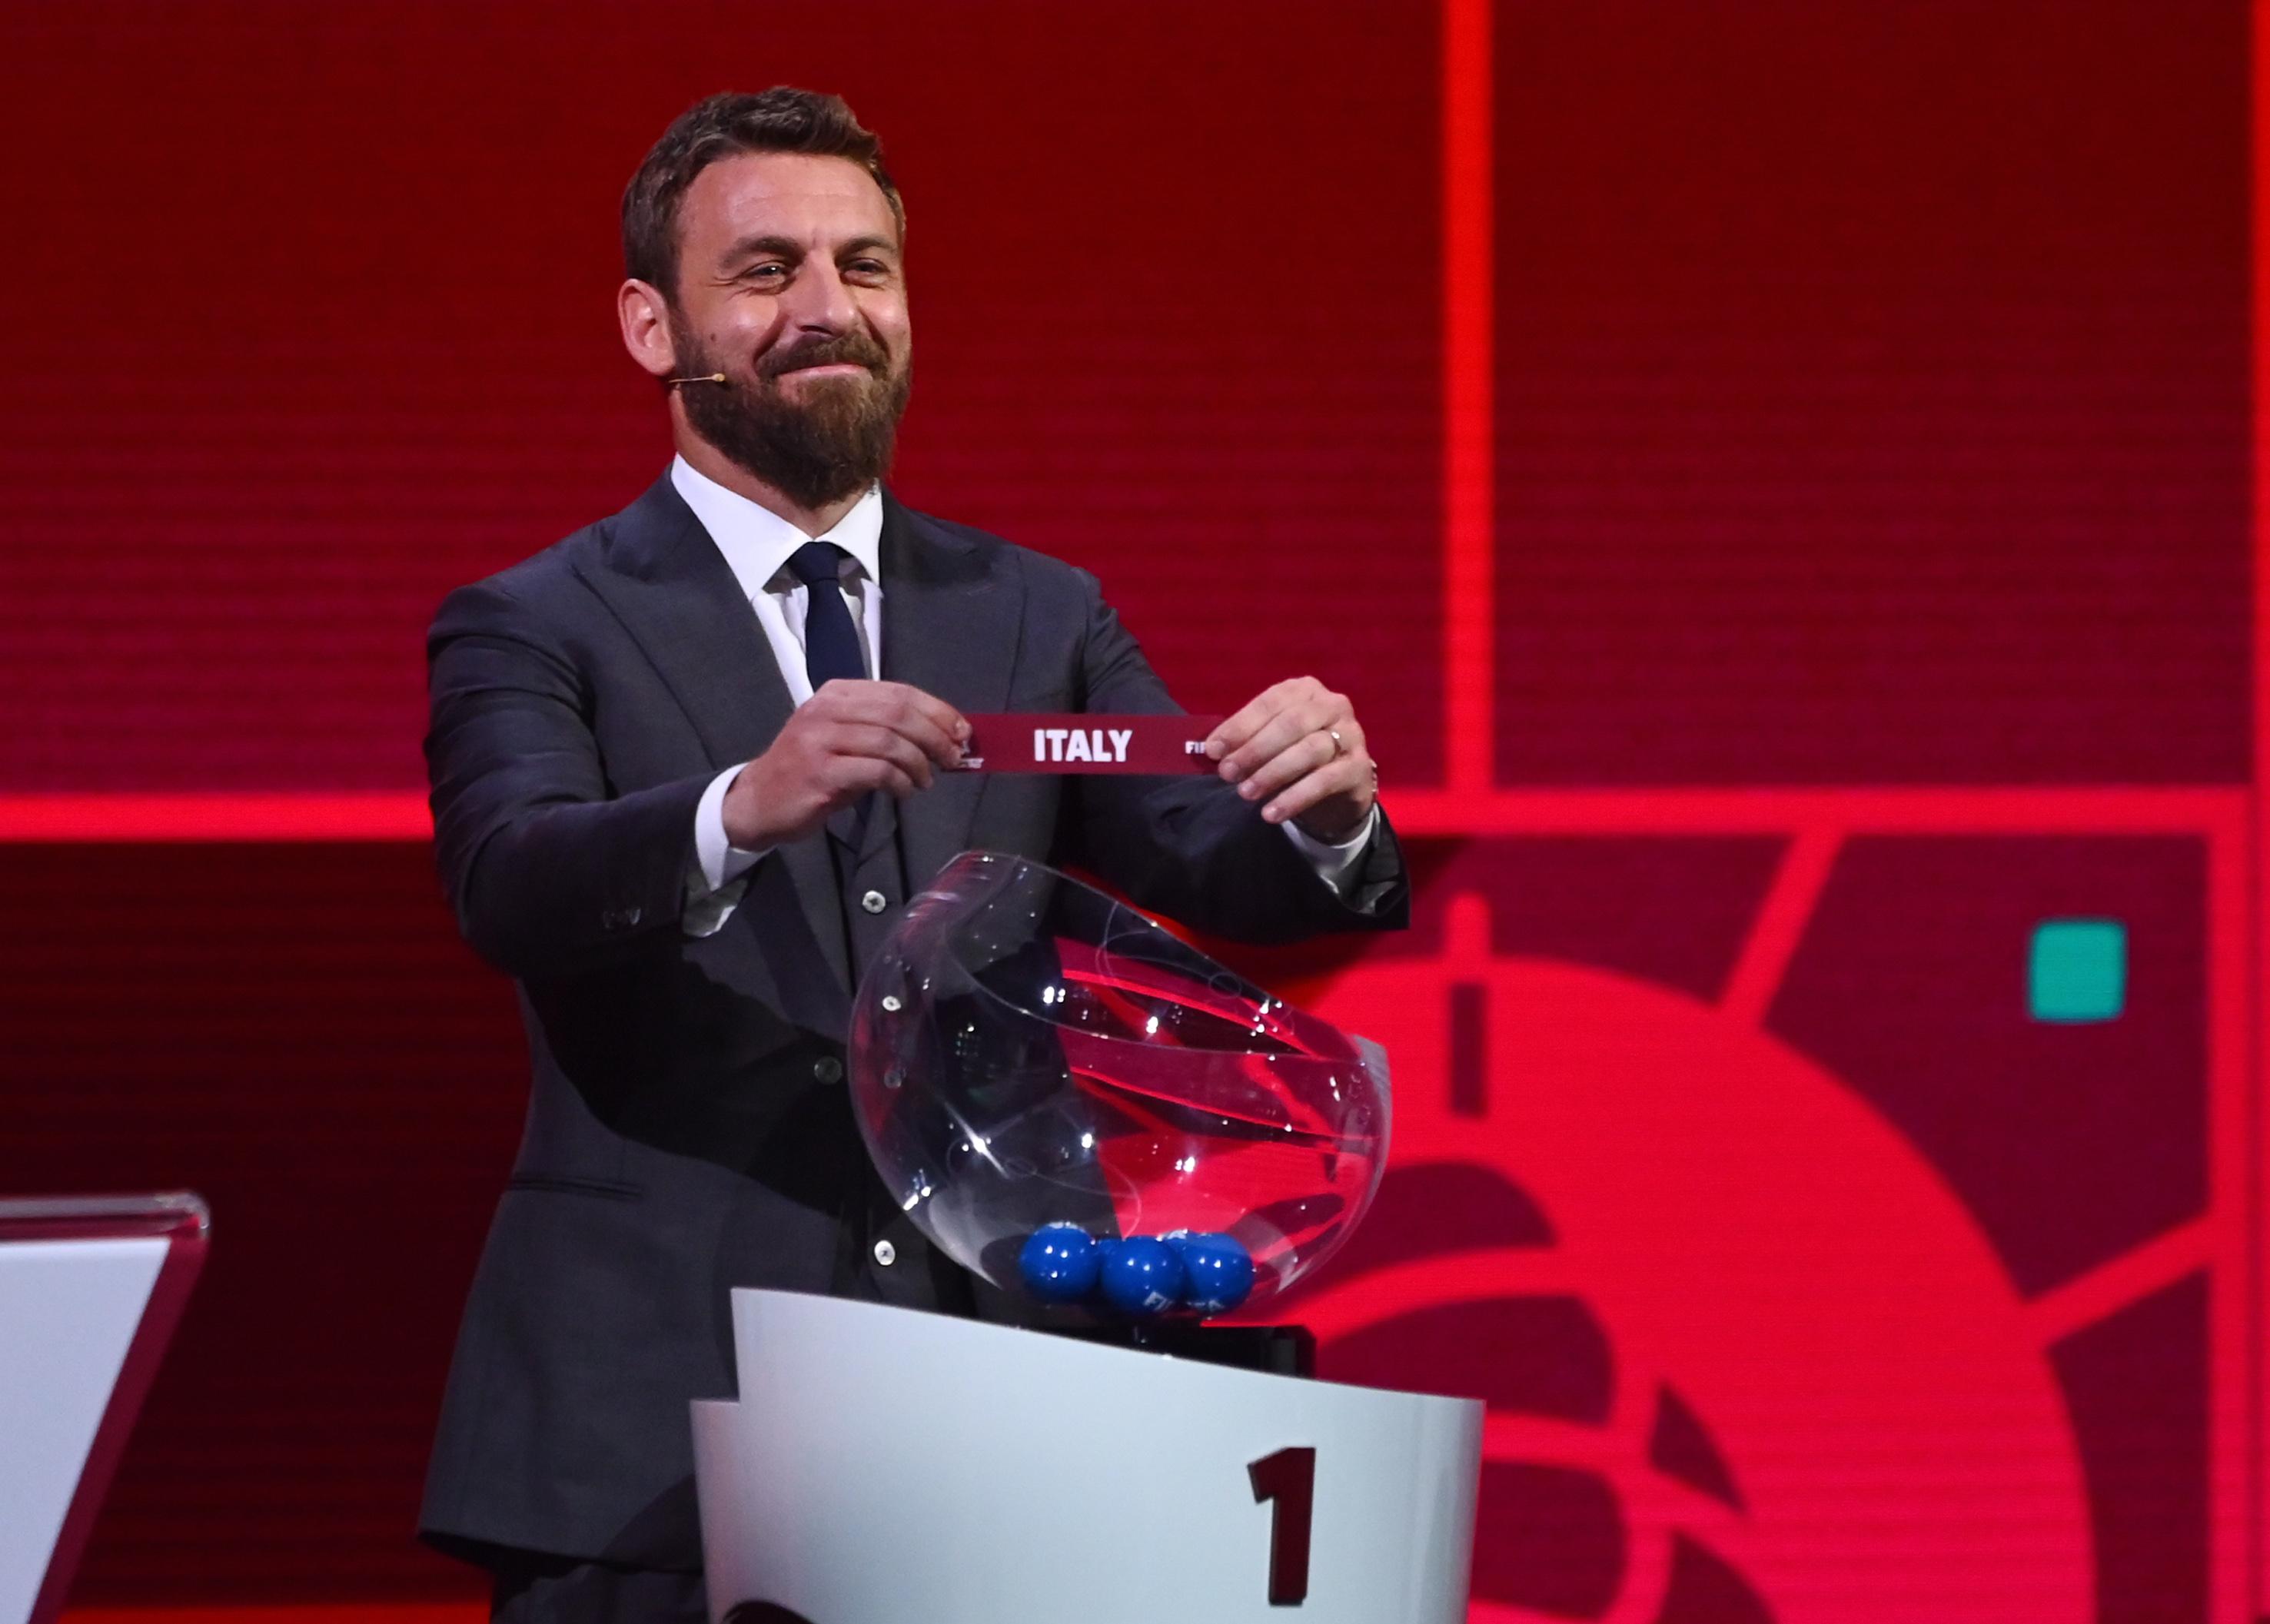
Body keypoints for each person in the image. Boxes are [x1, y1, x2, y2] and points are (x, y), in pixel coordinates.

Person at [417, 87, 1408, 1623]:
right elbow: (511, 875)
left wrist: (1324, 804)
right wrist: (736, 803)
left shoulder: (1036, 606)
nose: (829, 309)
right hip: (653, 1429)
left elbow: (1223, 867)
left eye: (864, 267)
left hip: (999, 1411)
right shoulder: (534, 618)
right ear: (646, 323)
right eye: (766, 271)